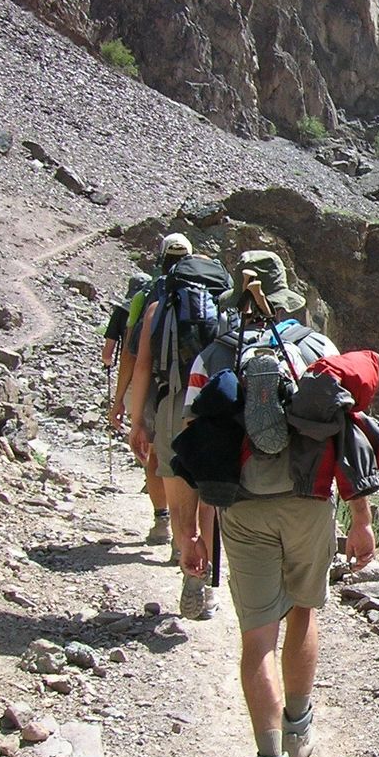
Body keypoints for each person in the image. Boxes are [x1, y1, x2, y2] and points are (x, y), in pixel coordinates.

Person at [173, 251, 379, 757]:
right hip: (308, 503)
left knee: (256, 639)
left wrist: (191, 533)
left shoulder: (213, 356)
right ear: (285, 294)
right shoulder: (316, 349)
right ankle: (298, 728)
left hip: (242, 510)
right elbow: (346, 437)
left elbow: (192, 448)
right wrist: (360, 518)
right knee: (303, 614)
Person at [126, 236, 232, 619]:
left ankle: (188, 555)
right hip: (216, 406)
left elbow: (142, 366)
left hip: (173, 402)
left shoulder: (158, 306)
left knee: (180, 494)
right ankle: (209, 583)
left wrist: (138, 422)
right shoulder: (225, 306)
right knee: (210, 498)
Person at [105, 234, 192, 550]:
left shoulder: (146, 297)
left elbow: (133, 357)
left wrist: (121, 403)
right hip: (197, 388)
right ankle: (187, 539)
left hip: (158, 386)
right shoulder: (208, 295)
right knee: (190, 459)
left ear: (161, 258)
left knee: (156, 455)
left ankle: (162, 522)